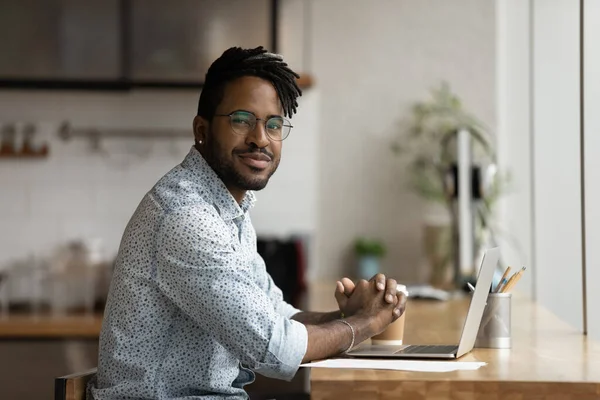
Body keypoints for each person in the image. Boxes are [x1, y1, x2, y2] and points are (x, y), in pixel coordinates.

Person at [89, 46, 407, 400]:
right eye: (242, 119)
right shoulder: (186, 217)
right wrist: (366, 323)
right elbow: (274, 349)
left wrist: (343, 316)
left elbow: (274, 315)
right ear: (202, 130)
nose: (261, 138)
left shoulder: (228, 211)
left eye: (273, 124)